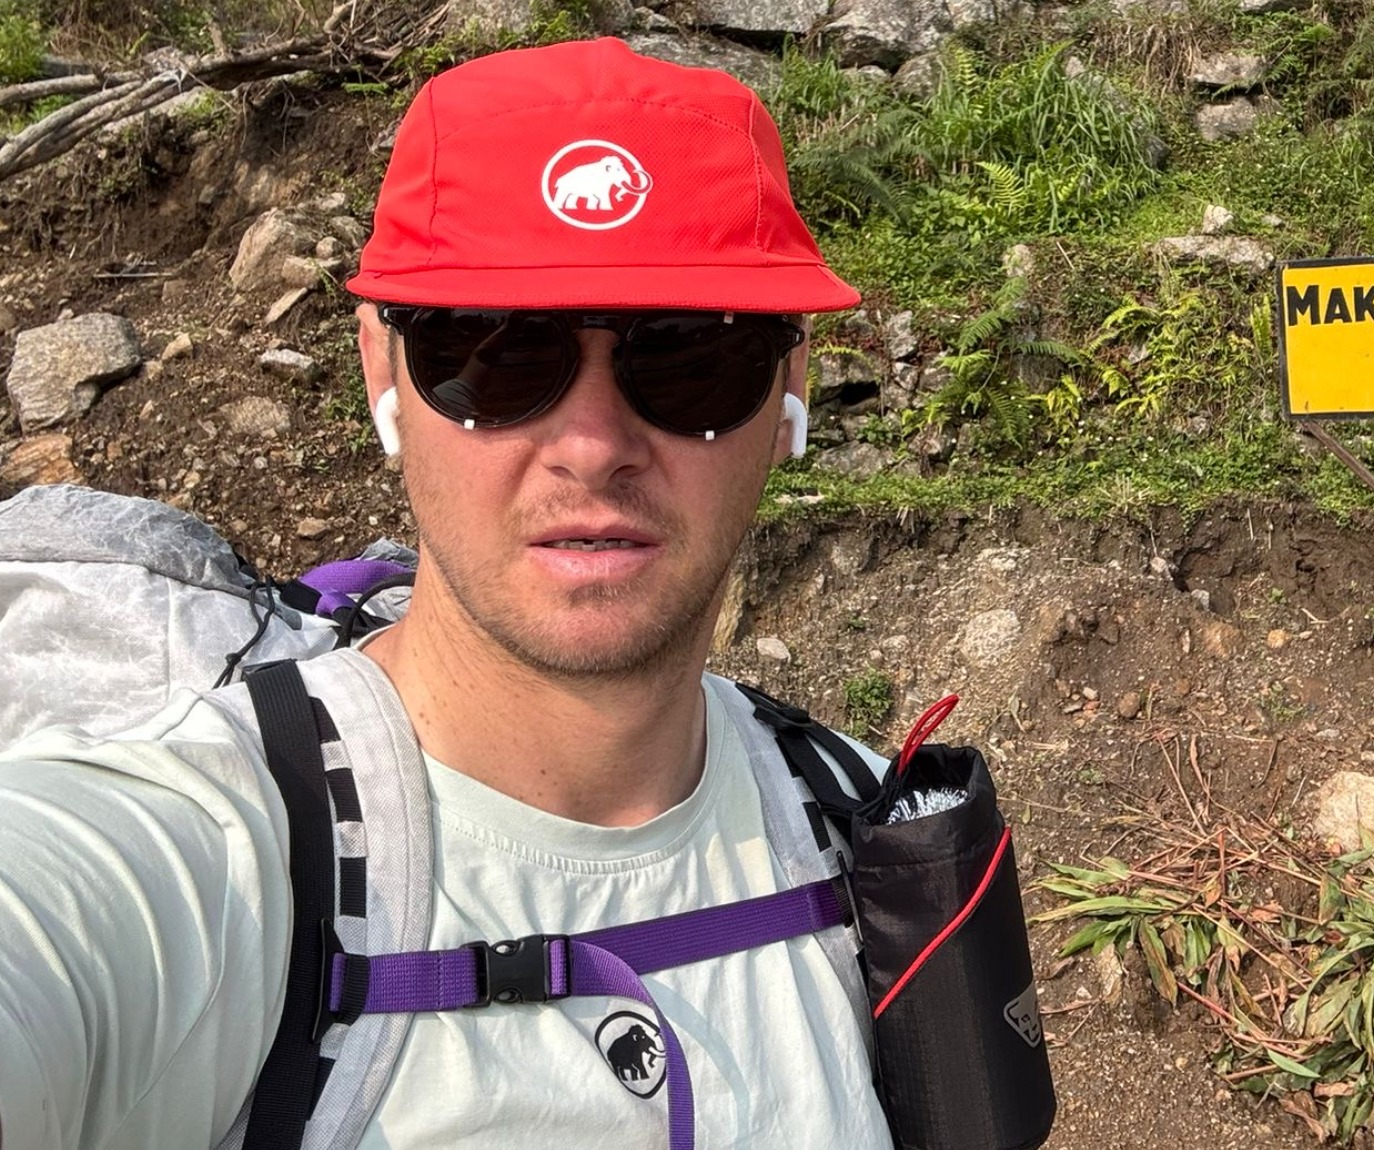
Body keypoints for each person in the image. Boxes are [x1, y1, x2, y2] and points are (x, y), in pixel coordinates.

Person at [0, 37, 895, 1150]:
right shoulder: (207, 854)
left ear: (791, 385)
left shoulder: (867, 831)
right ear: (382, 372)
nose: (591, 445)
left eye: (690, 358)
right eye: (495, 354)